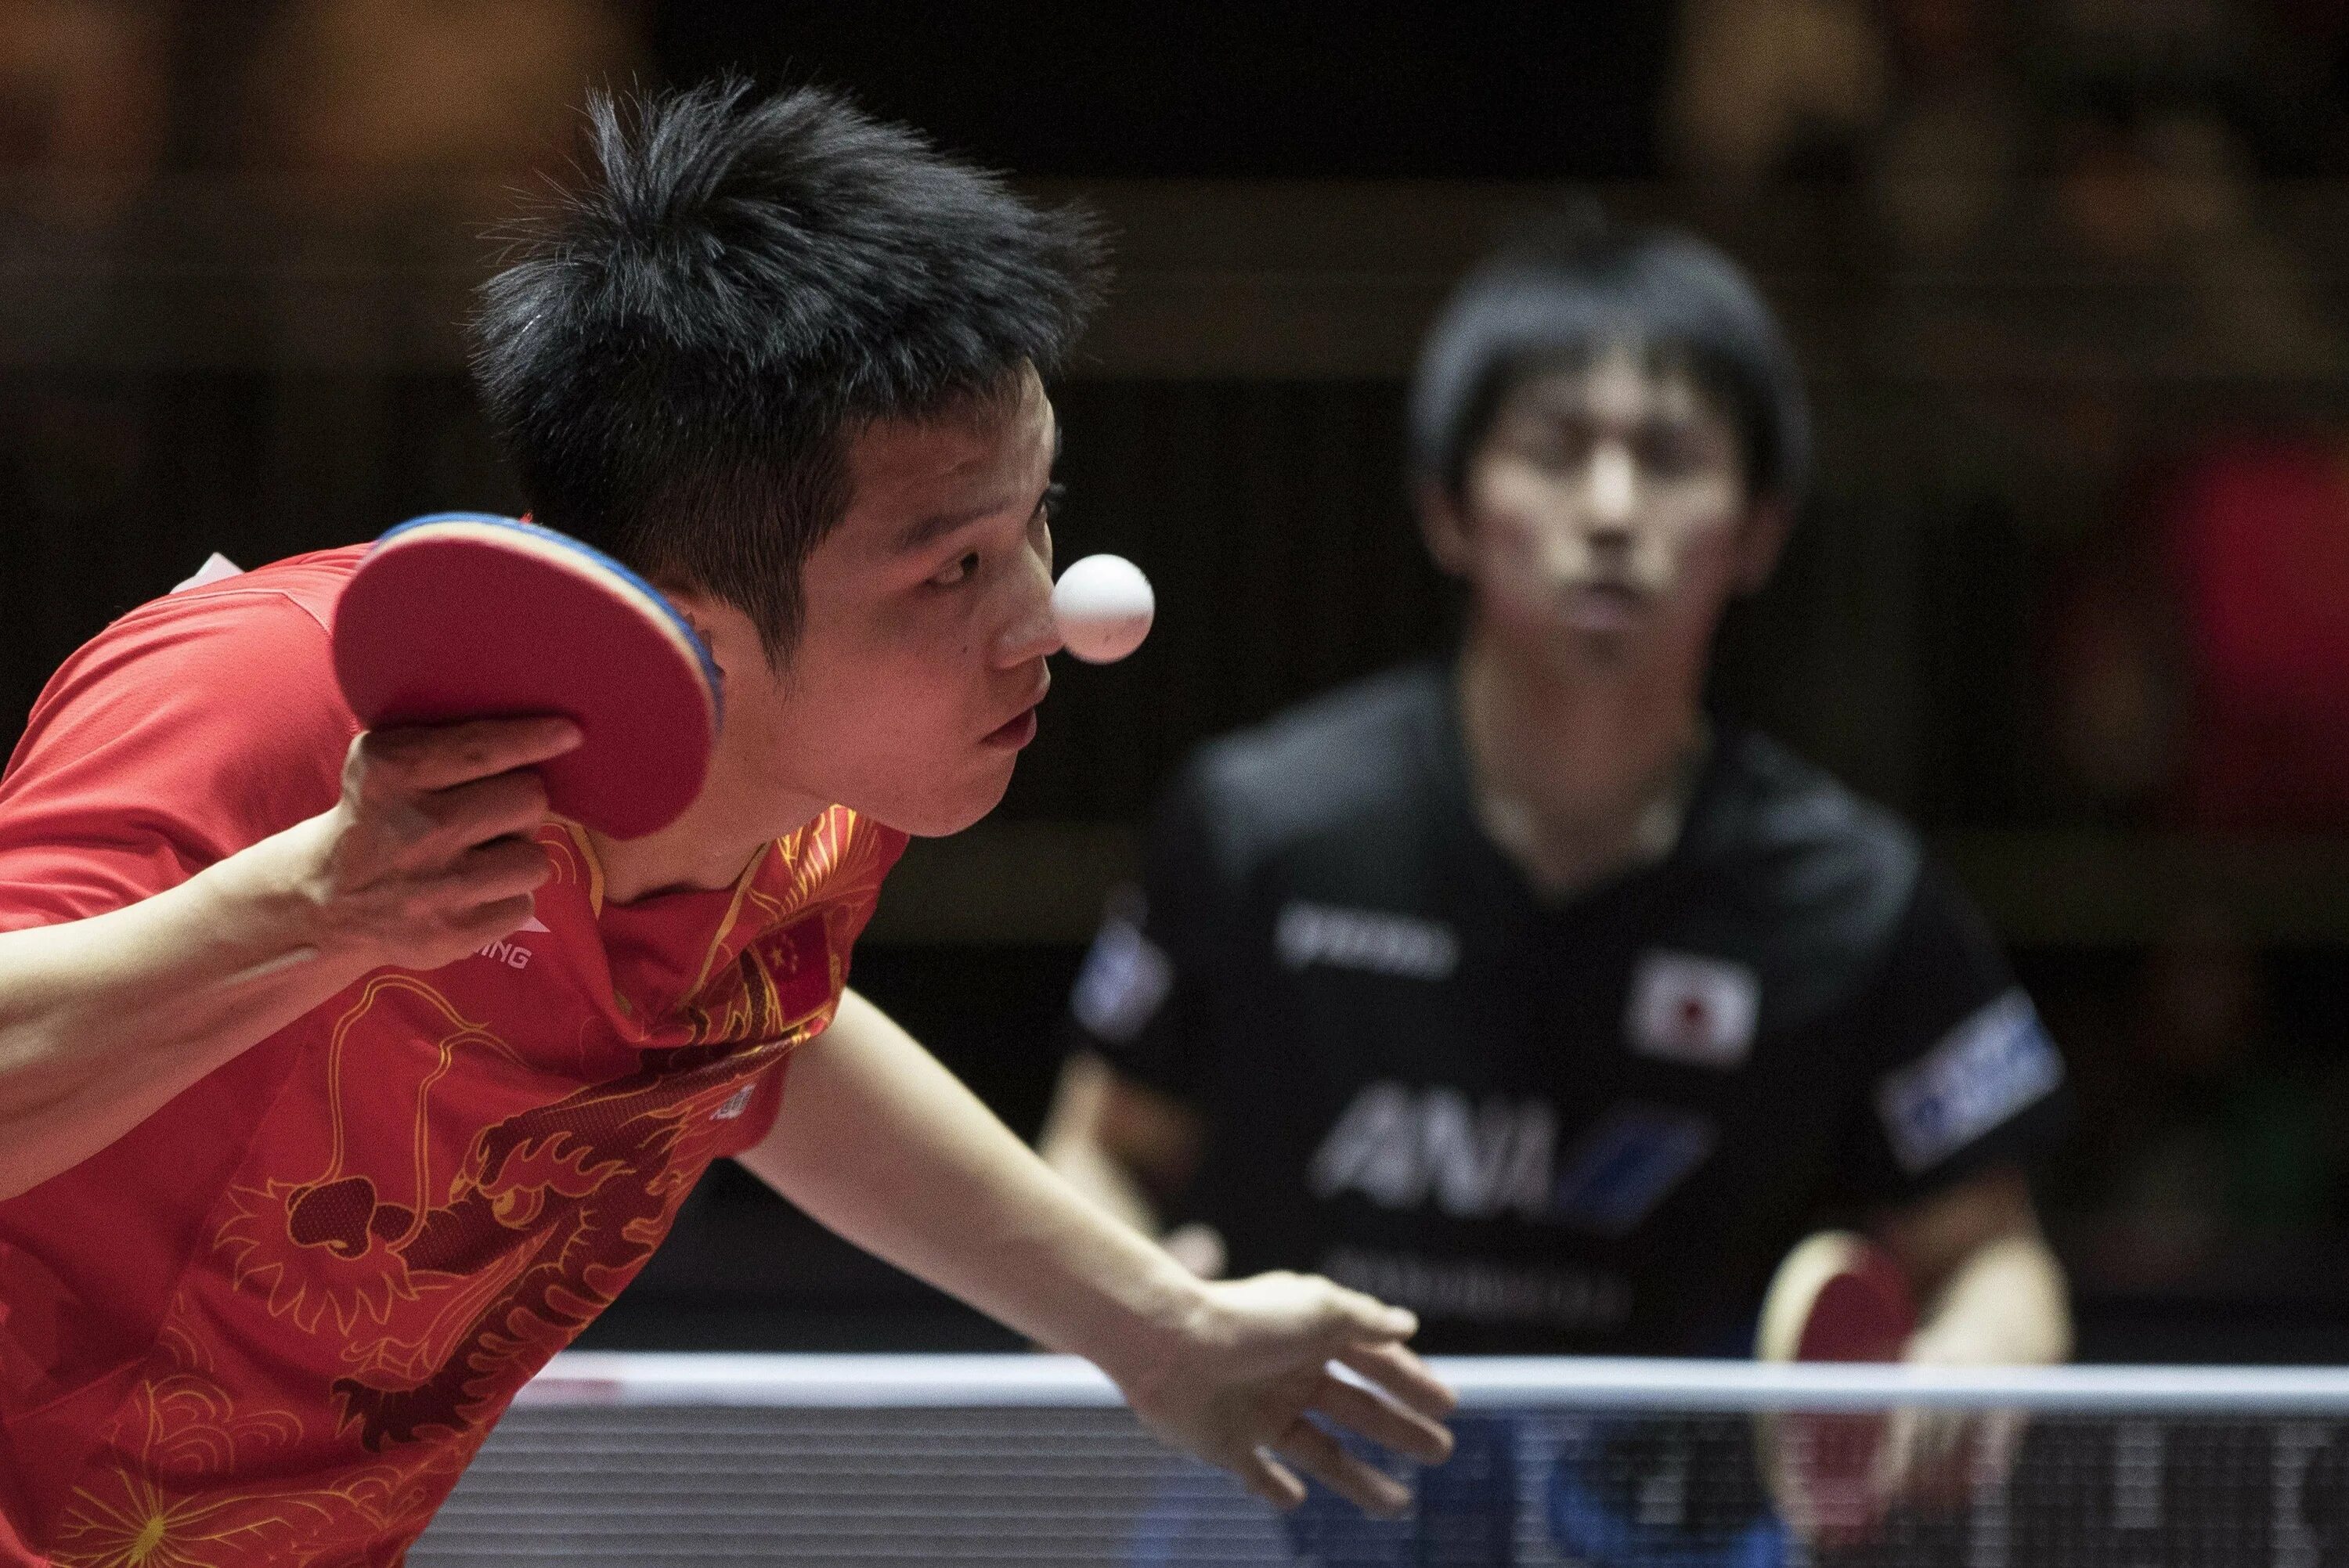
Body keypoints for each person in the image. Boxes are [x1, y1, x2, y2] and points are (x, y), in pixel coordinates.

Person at [0, 81, 1455, 1566]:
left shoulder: (822, 800)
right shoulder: (276, 713)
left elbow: (755, 1046)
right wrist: (312, 908)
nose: (1052, 621)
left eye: (1040, 516)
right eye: (952, 570)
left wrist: (1155, 1330)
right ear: (691, 634)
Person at [1042, 215, 2070, 1554]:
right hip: (1304, 1502)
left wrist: (1978, 1360)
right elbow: (1101, 1147)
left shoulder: (1856, 896)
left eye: (1672, 459)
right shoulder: (1264, 828)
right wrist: (1135, 1293)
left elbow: (1994, 1252)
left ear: (1758, 530)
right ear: (1448, 507)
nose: (1608, 509)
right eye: (1550, 448)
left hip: (1679, 1523)